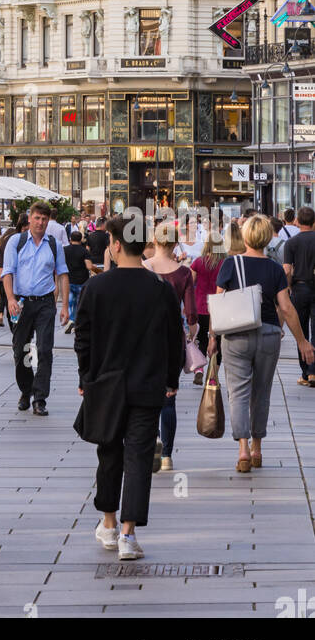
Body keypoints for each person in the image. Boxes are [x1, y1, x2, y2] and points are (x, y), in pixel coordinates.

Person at [74, 214, 184, 561]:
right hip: (147, 386)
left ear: (116, 245)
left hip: (106, 385)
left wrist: (85, 377)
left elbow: (83, 338)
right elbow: (174, 339)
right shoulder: (160, 288)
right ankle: (128, 534)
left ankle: (108, 522)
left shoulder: (96, 287)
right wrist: (171, 380)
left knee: (109, 453)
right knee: (138, 458)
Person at [210, 213, 313, 473]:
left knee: (238, 393)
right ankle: (257, 447)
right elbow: (287, 308)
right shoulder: (275, 269)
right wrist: (302, 341)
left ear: (245, 237)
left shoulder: (230, 265)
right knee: (262, 392)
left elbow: (218, 305)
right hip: (267, 334)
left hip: (235, 337)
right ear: (267, 238)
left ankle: (243, 449)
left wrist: (212, 337)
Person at [0, 201, 69, 417]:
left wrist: (65, 305)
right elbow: (7, 272)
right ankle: (25, 390)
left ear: (48, 221)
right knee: (21, 349)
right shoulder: (16, 241)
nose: (40, 222)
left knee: (45, 349)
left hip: (46, 302)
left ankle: (39, 398)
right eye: (37, 218)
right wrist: (10, 298)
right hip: (21, 302)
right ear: (29, 218)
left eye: (44, 219)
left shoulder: (54, 244)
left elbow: (63, 274)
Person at [143, 221, 197, 471]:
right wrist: (192, 334)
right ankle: (167, 455)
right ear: (176, 243)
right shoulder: (183, 273)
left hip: (145, 339)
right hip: (172, 337)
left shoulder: (144, 268)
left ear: (154, 241)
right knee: (168, 396)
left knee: (146, 394)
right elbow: (191, 313)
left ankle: (151, 440)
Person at [282, 204, 315, 388]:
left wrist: (287, 288)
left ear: (298, 221)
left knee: (301, 331)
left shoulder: (292, 243)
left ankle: (305, 371)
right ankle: (314, 372)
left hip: (300, 288)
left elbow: (287, 269)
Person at [190, 230, 225, 384]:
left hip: (200, 306)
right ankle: (213, 377)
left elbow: (190, 284)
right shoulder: (224, 264)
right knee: (217, 341)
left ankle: (199, 369)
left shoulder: (198, 262)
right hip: (218, 308)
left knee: (200, 340)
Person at [63, 229, 90, 335]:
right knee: (80, 302)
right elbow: (88, 266)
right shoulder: (84, 251)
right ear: (80, 240)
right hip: (82, 280)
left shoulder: (64, 250)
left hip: (68, 280)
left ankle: (71, 319)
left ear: (70, 239)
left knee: (70, 302)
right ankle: (76, 321)